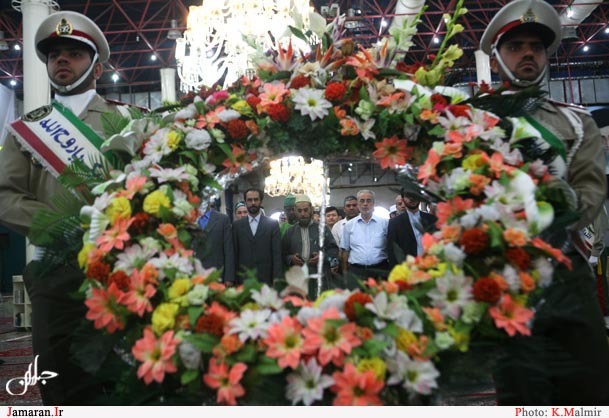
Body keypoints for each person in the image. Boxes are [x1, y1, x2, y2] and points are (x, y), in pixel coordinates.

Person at [0, 11, 138, 405]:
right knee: (58, 383)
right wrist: (58, 225)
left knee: (125, 381)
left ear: (97, 67)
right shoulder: (25, 130)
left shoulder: (126, 121)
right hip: (55, 272)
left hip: (120, 268)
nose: (61, 59)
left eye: (74, 53)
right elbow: (5, 194)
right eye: (54, 54)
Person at [480, 0, 609, 404]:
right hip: (505, 278)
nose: (527, 54)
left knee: (590, 390)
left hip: (569, 273)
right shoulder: (473, 123)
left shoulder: (576, 121)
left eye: (535, 47)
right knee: (522, 395)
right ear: (496, 57)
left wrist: (550, 220)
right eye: (515, 46)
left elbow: (591, 189)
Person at [282, 195, 339, 294]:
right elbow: (282, 253)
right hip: (299, 278)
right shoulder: (290, 232)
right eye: (299, 211)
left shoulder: (323, 229)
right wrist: (291, 259)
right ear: (295, 212)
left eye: (305, 210)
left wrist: (322, 257)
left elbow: (334, 250)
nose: (303, 214)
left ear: (311, 210)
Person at [232, 188, 282, 284]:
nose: (253, 203)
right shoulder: (237, 226)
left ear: (261, 201)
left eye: (256, 199)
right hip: (244, 279)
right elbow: (234, 254)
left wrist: (277, 278)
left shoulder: (272, 224)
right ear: (245, 202)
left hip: (266, 279)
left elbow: (277, 254)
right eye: (250, 200)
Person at [340, 190, 388, 288]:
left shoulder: (385, 223)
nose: (365, 204)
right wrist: (345, 274)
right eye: (362, 201)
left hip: (380, 270)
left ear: (373, 204)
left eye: (368, 201)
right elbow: (345, 250)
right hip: (357, 271)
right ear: (358, 204)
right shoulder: (349, 225)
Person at [387, 191, 437, 268]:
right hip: (407, 267)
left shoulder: (432, 219)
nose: (412, 198)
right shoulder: (395, 223)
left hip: (431, 264)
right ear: (403, 199)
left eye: (414, 195)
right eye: (408, 196)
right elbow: (392, 249)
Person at [191, 201, 235, 285]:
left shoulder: (223, 220)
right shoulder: (189, 219)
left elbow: (229, 250)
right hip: (193, 275)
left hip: (217, 274)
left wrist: (229, 278)